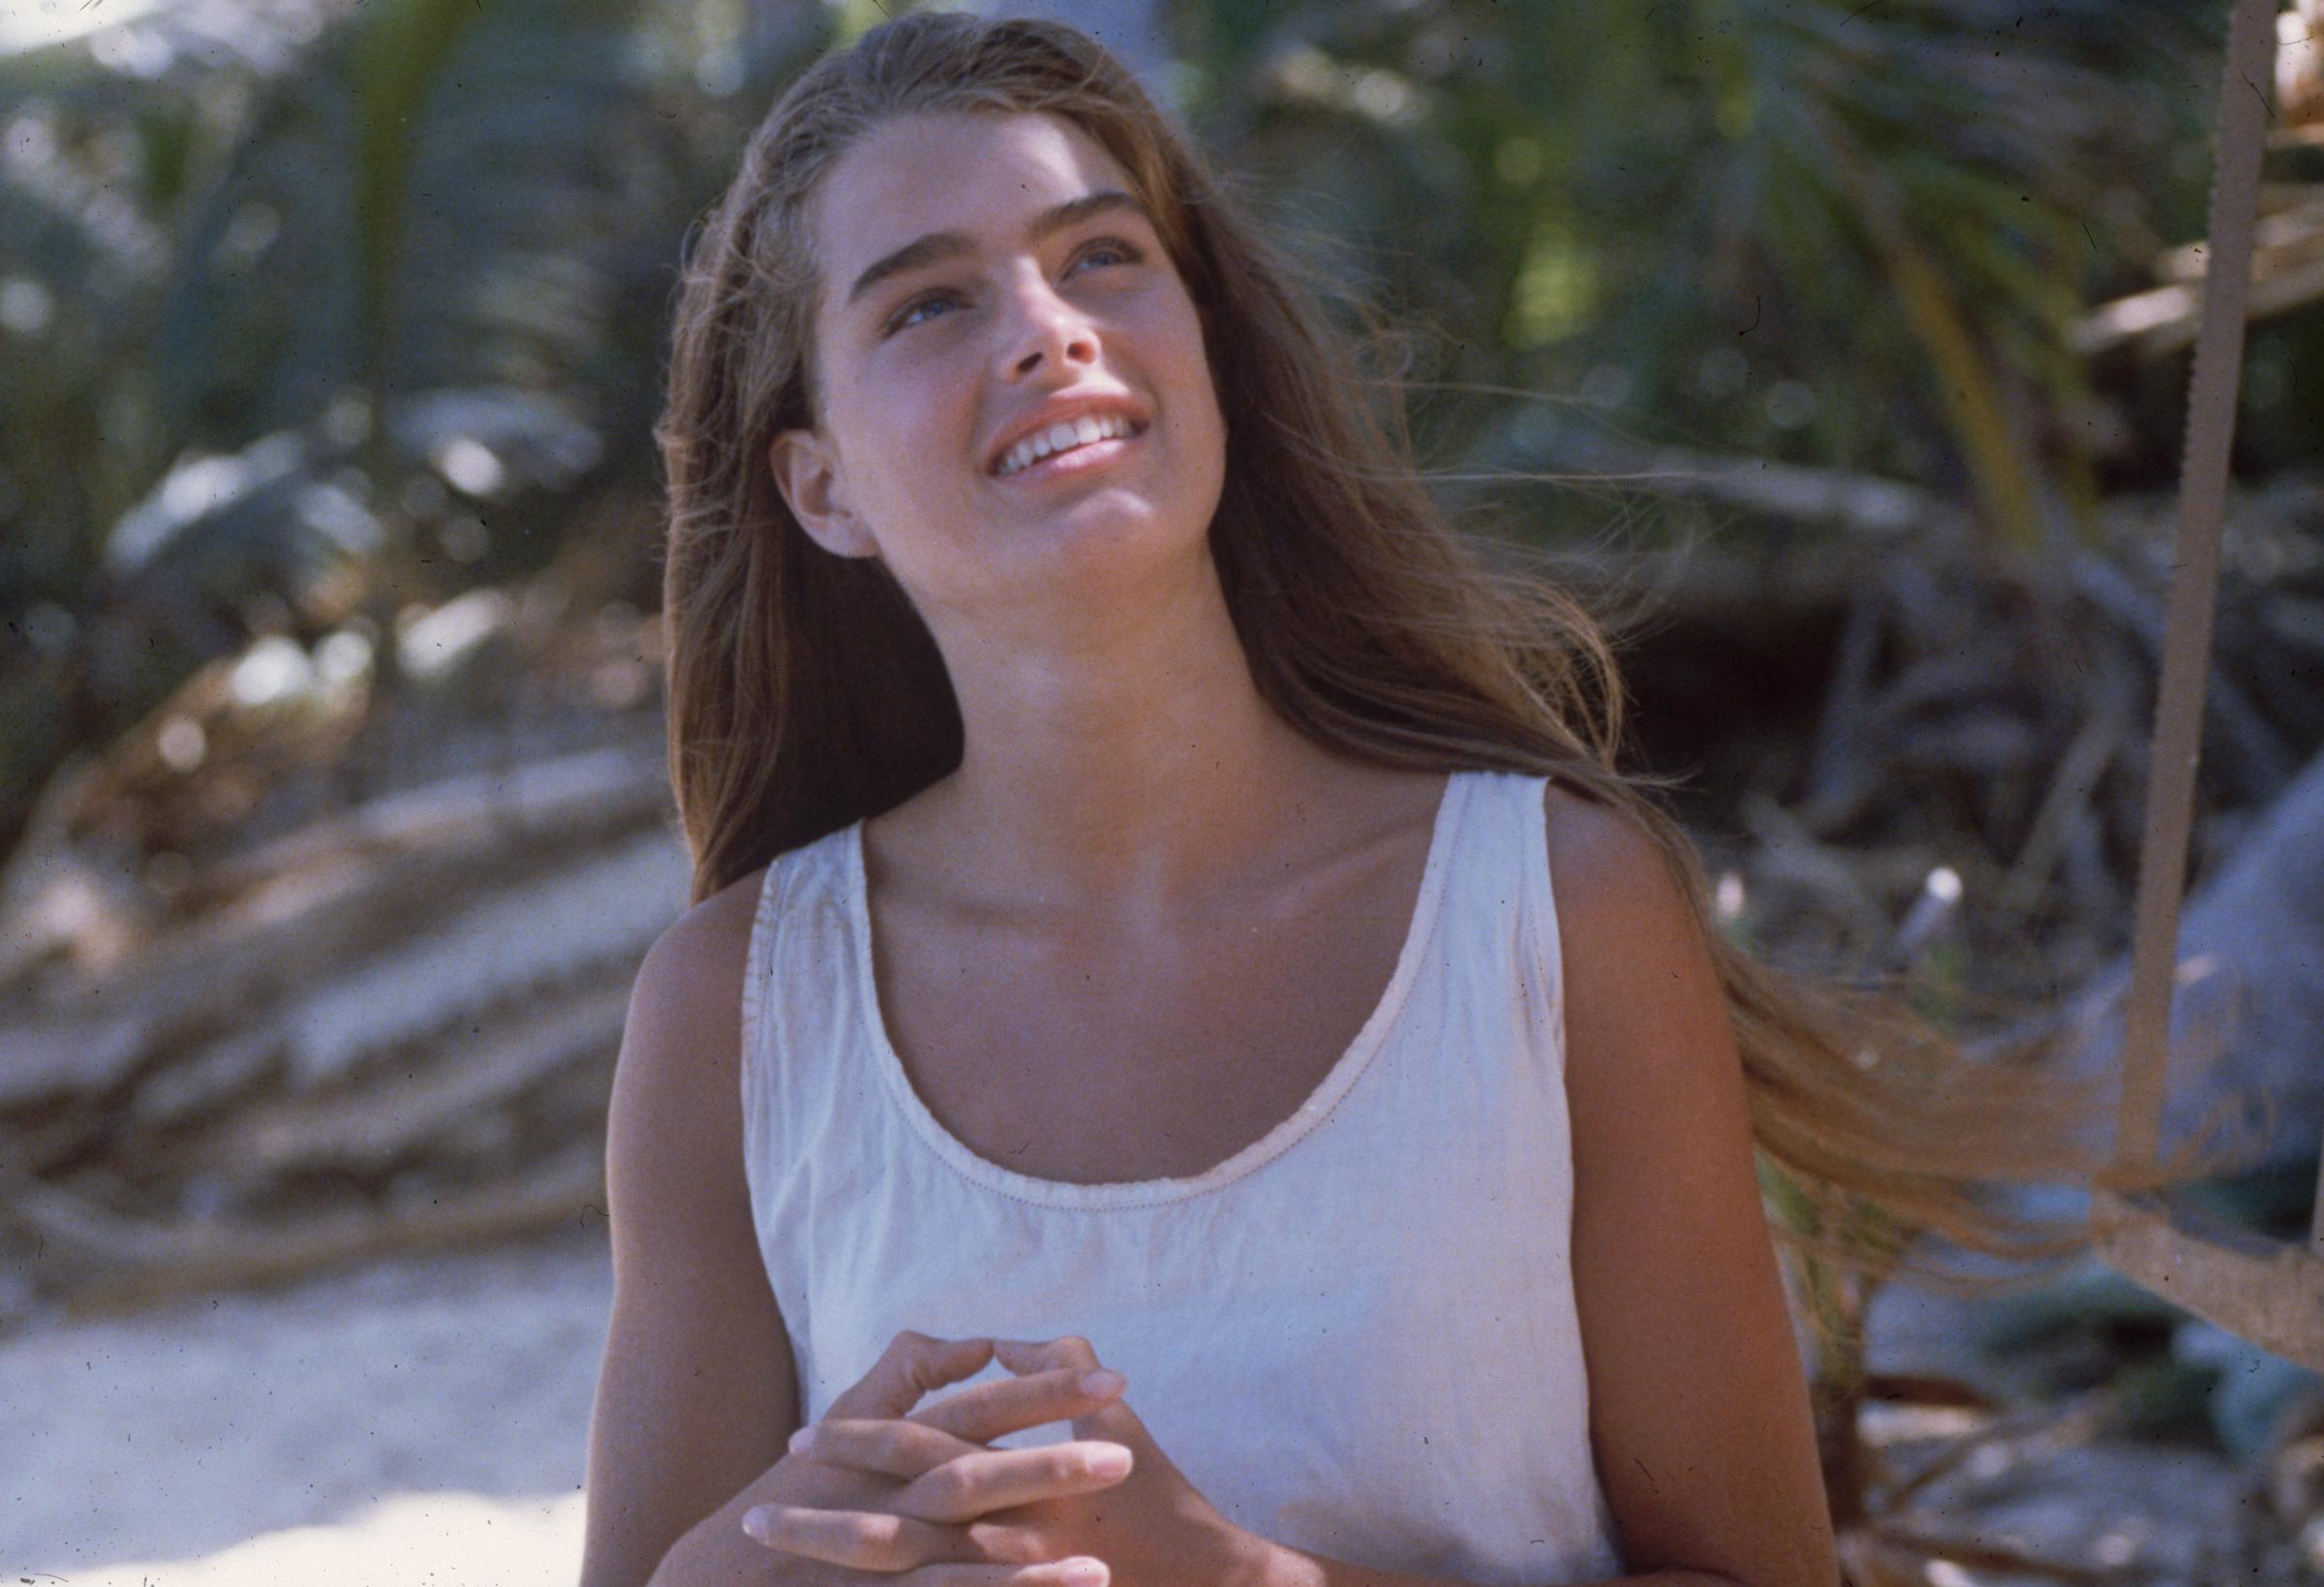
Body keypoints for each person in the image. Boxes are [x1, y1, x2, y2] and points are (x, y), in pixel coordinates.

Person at [580, 15, 2250, 1587]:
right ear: (821, 488)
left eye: (1102, 255)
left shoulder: (1552, 912)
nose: (1046, 326)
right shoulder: (741, 1016)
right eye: (928, 304)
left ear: (1202, 346)